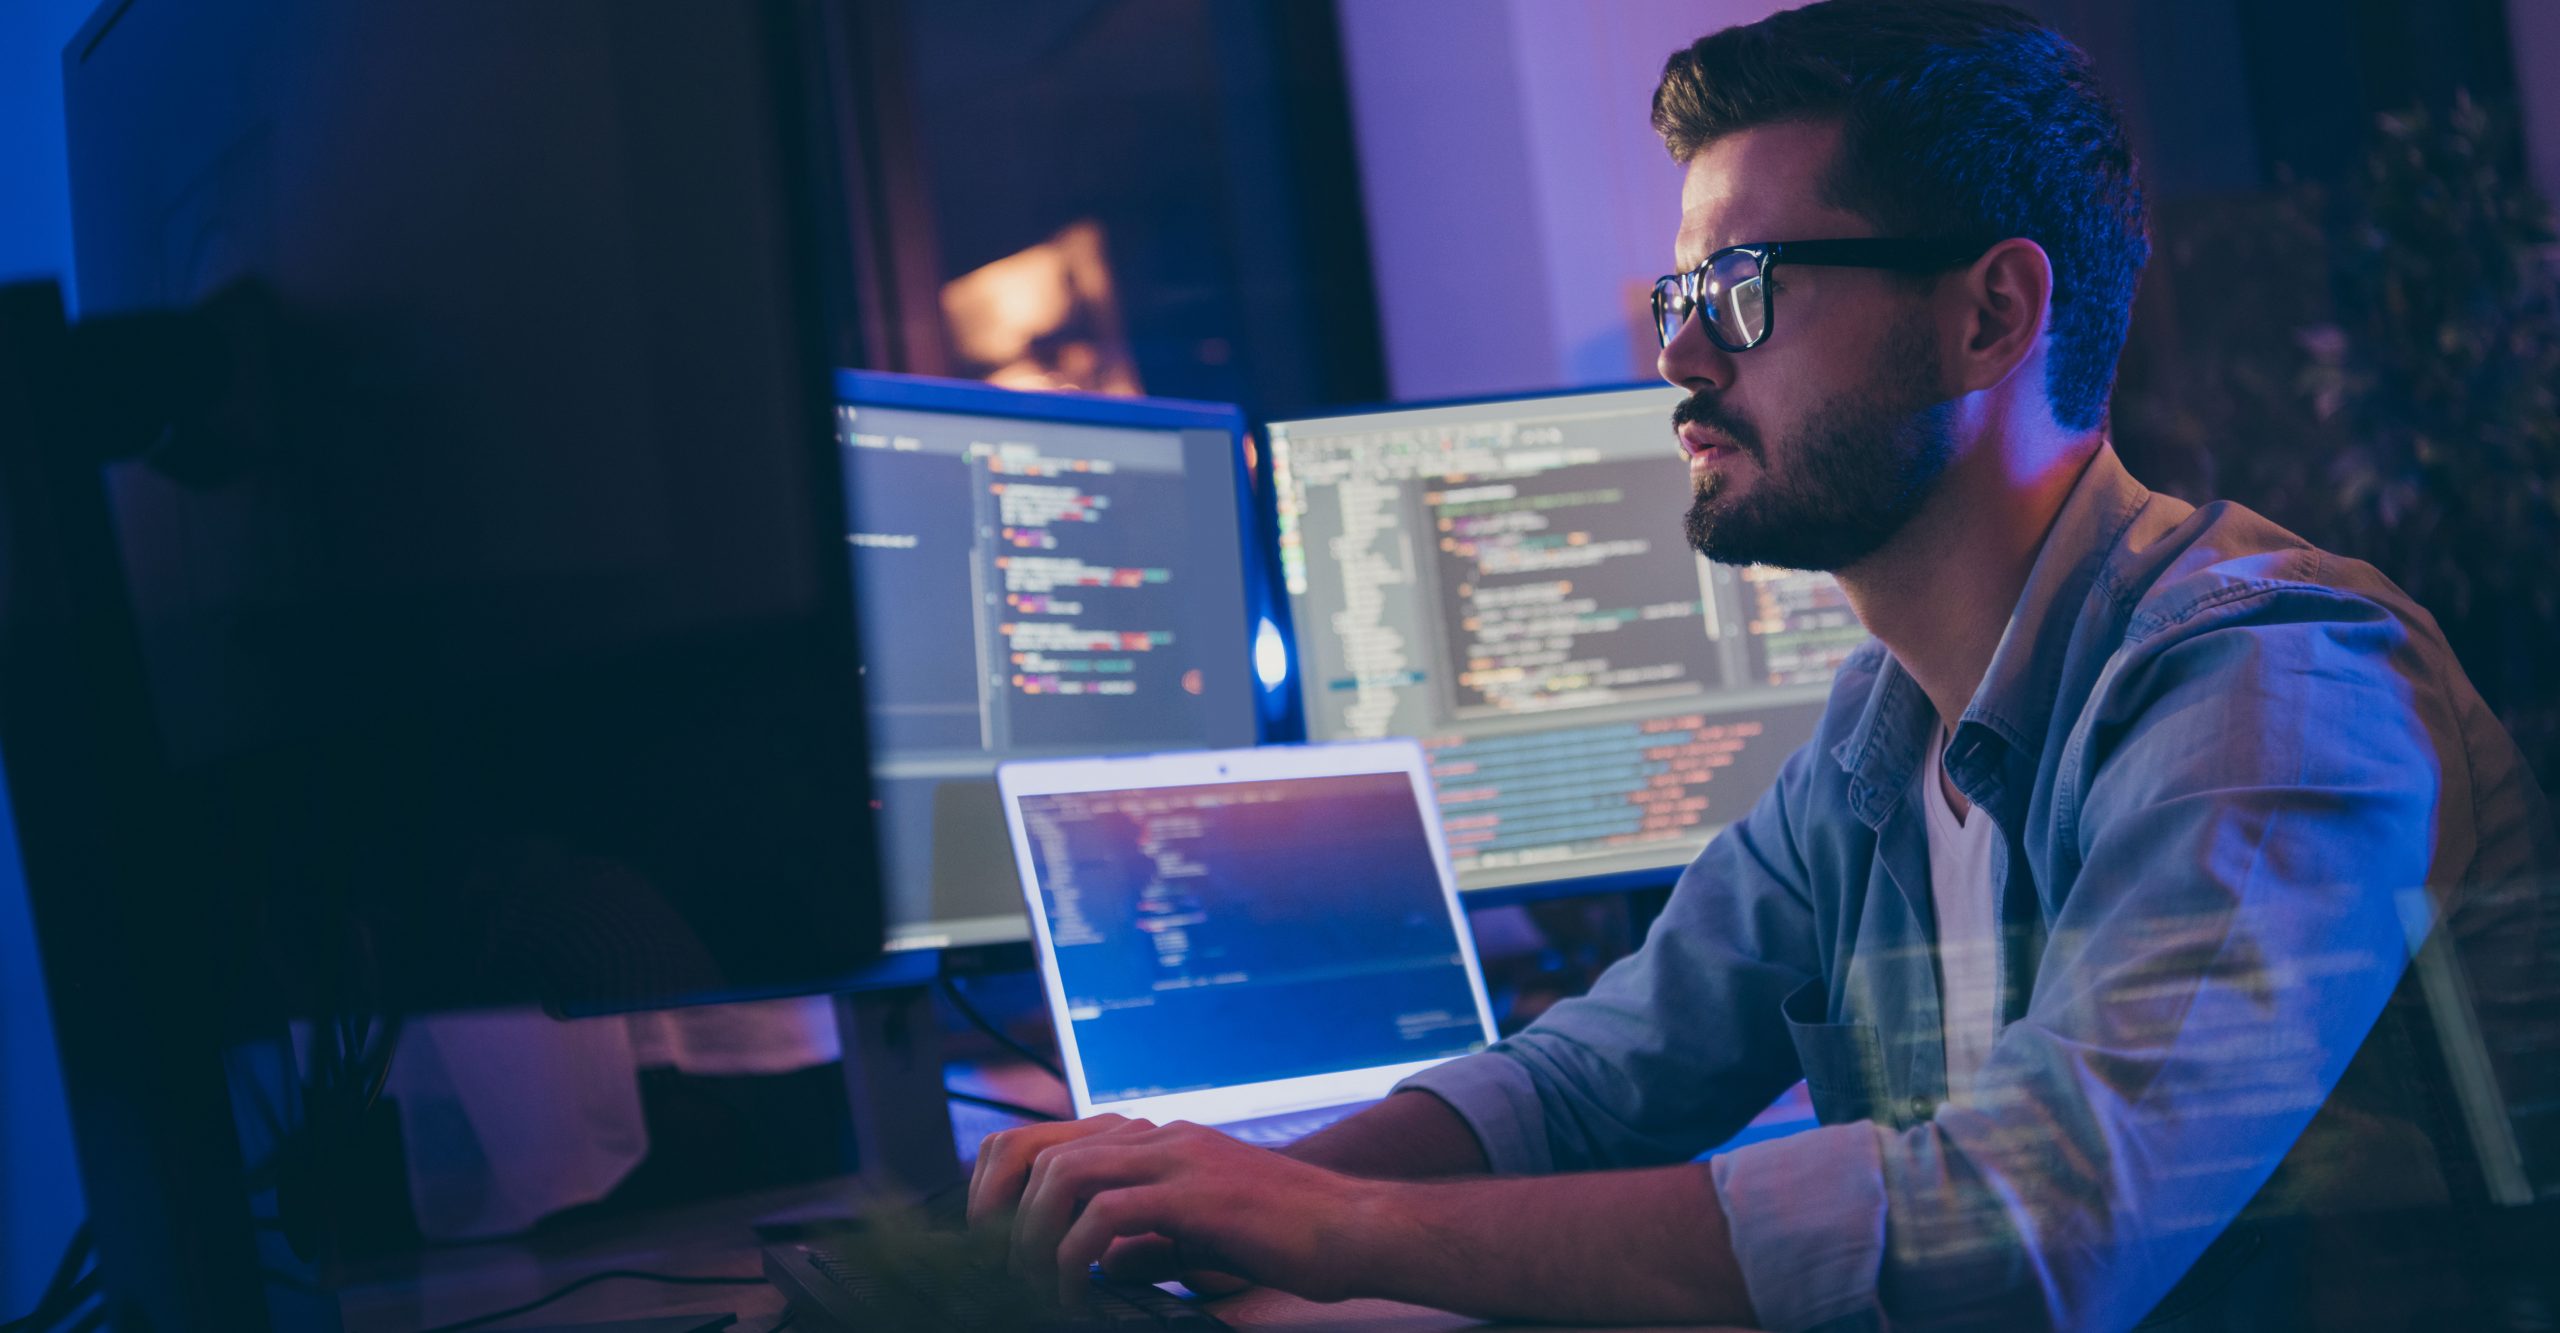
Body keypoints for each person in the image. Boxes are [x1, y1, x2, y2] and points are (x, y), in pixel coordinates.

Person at [967, 2, 2551, 1327]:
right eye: (1681, 293)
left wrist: (1339, 1235)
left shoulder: (2272, 685)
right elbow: (1595, 1081)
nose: (1677, 355)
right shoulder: (1884, 733)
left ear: (1992, 314)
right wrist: (1236, 1191)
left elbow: (2037, 1223)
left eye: (1742, 291)